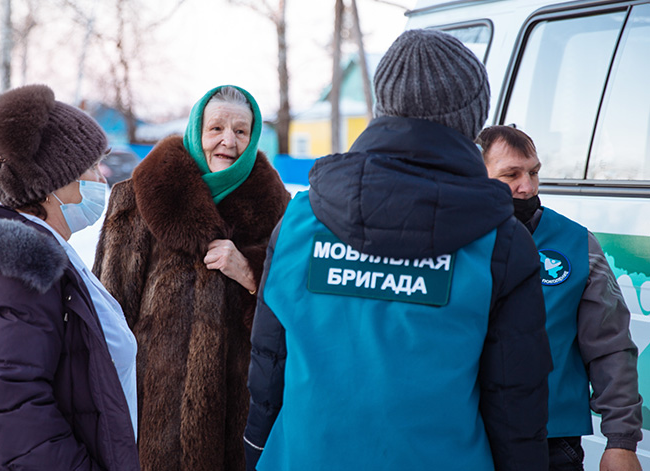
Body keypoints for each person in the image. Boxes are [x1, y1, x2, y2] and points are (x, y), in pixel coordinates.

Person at [244, 29, 553, 471]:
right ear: (472, 121)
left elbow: (270, 366)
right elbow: (514, 400)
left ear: (382, 110)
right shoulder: (501, 242)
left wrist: (254, 449)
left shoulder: (298, 222)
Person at [0, 84, 140, 470]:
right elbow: (11, 409)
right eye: (90, 166)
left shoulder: (44, 253)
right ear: (52, 183)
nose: (102, 176)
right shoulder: (21, 270)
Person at [92, 85, 290, 471]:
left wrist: (252, 275)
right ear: (197, 130)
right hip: (153, 420)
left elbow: (293, 315)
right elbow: (108, 321)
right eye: (216, 128)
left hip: (241, 419)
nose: (227, 142)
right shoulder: (137, 199)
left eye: (240, 131)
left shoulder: (279, 209)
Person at [478, 124, 643, 471]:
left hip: (554, 443)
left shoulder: (576, 245)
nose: (528, 186)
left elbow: (611, 347)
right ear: (477, 176)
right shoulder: (456, 245)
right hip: (471, 439)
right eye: (511, 175)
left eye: (534, 172)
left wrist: (621, 441)